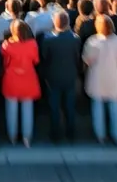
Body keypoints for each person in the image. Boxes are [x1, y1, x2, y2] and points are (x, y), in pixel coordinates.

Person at [83, 14, 117, 145]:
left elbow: (87, 60)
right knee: (115, 108)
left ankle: (100, 135)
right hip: (114, 77)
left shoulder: (92, 41)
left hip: (97, 76)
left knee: (98, 107)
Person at [39, 10, 81, 141]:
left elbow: (44, 58)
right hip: (70, 75)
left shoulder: (47, 40)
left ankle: (55, 133)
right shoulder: (75, 39)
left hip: (53, 77)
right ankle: (71, 133)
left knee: (55, 107)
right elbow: (77, 58)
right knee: (69, 106)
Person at [0, 20, 40, 147]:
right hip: (28, 78)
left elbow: (4, 61)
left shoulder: (6, 45)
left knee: (11, 109)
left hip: (12, 79)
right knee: (28, 109)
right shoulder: (33, 44)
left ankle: (12, 137)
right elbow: (35, 60)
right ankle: (26, 137)